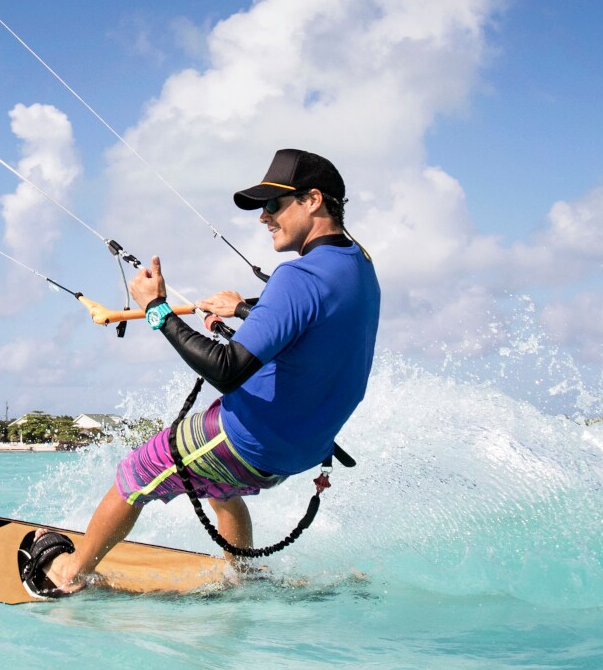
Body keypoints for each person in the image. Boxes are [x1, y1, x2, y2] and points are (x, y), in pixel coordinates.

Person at [26, 148, 382, 597]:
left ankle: (68, 573)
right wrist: (246, 310)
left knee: (136, 472)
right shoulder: (358, 264)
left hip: (250, 439)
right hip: (305, 448)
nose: (264, 217)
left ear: (312, 200)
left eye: (273, 205)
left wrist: (156, 310)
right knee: (217, 485)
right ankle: (242, 575)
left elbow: (227, 371)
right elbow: (317, 320)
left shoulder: (297, 277)